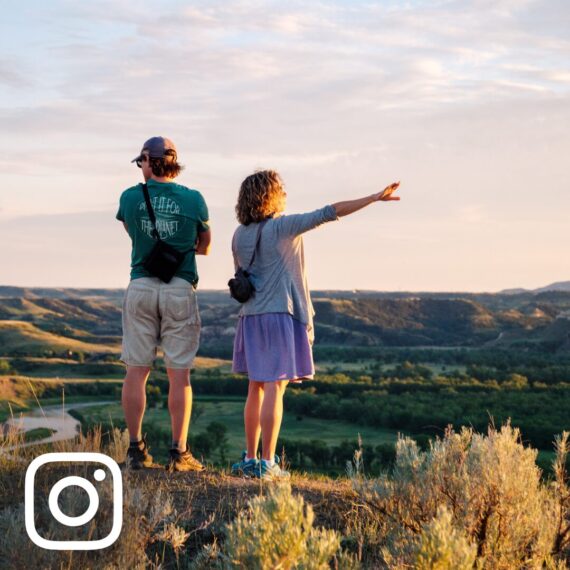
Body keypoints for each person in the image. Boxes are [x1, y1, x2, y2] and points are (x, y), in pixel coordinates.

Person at [230, 169, 400, 479]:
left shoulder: (238, 235)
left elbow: (242, 277)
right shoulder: (282, 227)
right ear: (271, 195)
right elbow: (329, 213)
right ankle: (268, 463)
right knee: (274, 386)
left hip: (250, 317)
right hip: (280, 314)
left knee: (255, 386)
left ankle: (250, 459)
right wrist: (374, 198)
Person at [116, 136, 211, 472]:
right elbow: (204, 244)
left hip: (141, 283)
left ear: (148, 160)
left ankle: (135, 450)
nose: (139, 167)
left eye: (141, 161)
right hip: (179, 286)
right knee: (179, 375)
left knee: (136, 371)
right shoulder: (194, 198)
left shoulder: (129, 197)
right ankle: (179, 452)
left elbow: (132, 232)